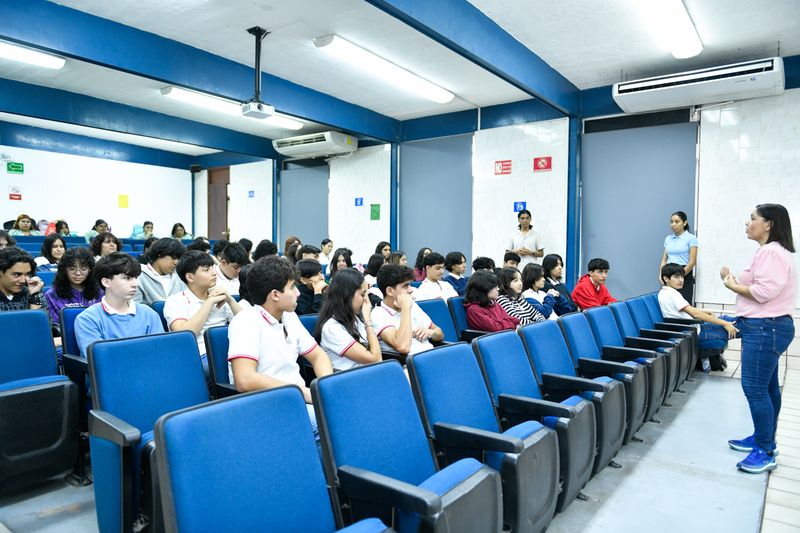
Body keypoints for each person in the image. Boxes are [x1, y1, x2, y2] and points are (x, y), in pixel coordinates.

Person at [720, 204, 796, 474]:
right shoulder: (769, 252)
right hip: (767, 327)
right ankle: (765, 438)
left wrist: (731, 285)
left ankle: (764, 450)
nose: (747, 222)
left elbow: (763, 293)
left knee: (754, 388)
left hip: (766, 328)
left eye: (753, 218)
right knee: (768, 387)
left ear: (769, 224)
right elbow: (760, 288)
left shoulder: (772, 253)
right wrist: (733, 280)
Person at [227, 256, 333, 435]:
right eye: (292, 287)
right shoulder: (245, 321)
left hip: (295, 399)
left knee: (344, 413)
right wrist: (302, 391)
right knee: (331, 423)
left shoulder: (288, 316)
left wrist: (325, 387)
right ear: (275, 294)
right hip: (266, 402)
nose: (298, 293)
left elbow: (318, 356)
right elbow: (244, 379)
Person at [164, 251, 242, 378]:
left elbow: (247, 324)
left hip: (229, 349)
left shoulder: (219, 294)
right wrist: (209, 302)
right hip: (200, 355)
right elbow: (184, 334)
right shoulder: (176, 301)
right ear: (190, 277)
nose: (214, 273)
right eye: (206, 270)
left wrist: (230, 300)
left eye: (212, 268)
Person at [73, 253, 164, 357]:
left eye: (136, 278)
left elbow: (159, 352)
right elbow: (99, 359)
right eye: (127, 278)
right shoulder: (87, 319)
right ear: (106, 282)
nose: (135, 284)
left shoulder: (149, 314)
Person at [659, 263, 738, 372]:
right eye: (676, 277)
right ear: (666, 278)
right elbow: (695, 314)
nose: (681, 280)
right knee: (737, 325)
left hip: (695, 328)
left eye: (682, 276)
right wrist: (724, 323)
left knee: (729, 320)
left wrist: (706, 311)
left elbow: (687, 310)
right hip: (694, 333)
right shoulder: (672, 294)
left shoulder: (666, 293)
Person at [315, 268, 382, 371]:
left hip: (368, 374)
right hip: (353, 381)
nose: (366, 300)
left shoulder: (353, 317)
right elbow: (375, 359)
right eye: (363, 294)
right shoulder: (332, 328)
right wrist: (368, 320)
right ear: (347, 295)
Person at [371, 264, 443, 355]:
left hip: (431, 356)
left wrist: (431, 333)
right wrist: (405, 308)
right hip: (410, 364)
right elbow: (403, 347)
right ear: (389, 291)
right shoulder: (378, 314)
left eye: (410, 285)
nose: (411, 290)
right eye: (405, 286)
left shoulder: (413, 305)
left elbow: (440, 333)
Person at [44, 247, 103, 331]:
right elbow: (54, 326)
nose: (78, 273)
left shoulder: (99, 292)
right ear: (64, 270)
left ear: (90, 270)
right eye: (72, 269)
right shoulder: (52, 295)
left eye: (83, 269)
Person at [660, 211, 699, 304]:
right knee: (669, 304)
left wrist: (679, 276)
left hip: (684, 272)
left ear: (684, 223)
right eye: (671, 222)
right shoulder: (668, 238)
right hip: (669, 273)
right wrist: (661, 275)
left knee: (684, 305)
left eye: (677, 222)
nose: (673, 224)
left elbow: (692, 262)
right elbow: (664, 259)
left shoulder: (691, 238)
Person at [134, 237, 186, 305]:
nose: (176, 262)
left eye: (178, 259)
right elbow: (135, 307)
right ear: (160, 254)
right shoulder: (139, 276)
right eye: (173, 258)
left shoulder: (179, 277)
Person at [0, 247, 45, 312]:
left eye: (27, 274)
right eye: (16, 275)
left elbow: (43, 321)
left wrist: (34, 296)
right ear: (1, 272)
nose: (23, 281)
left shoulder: (31, 293)